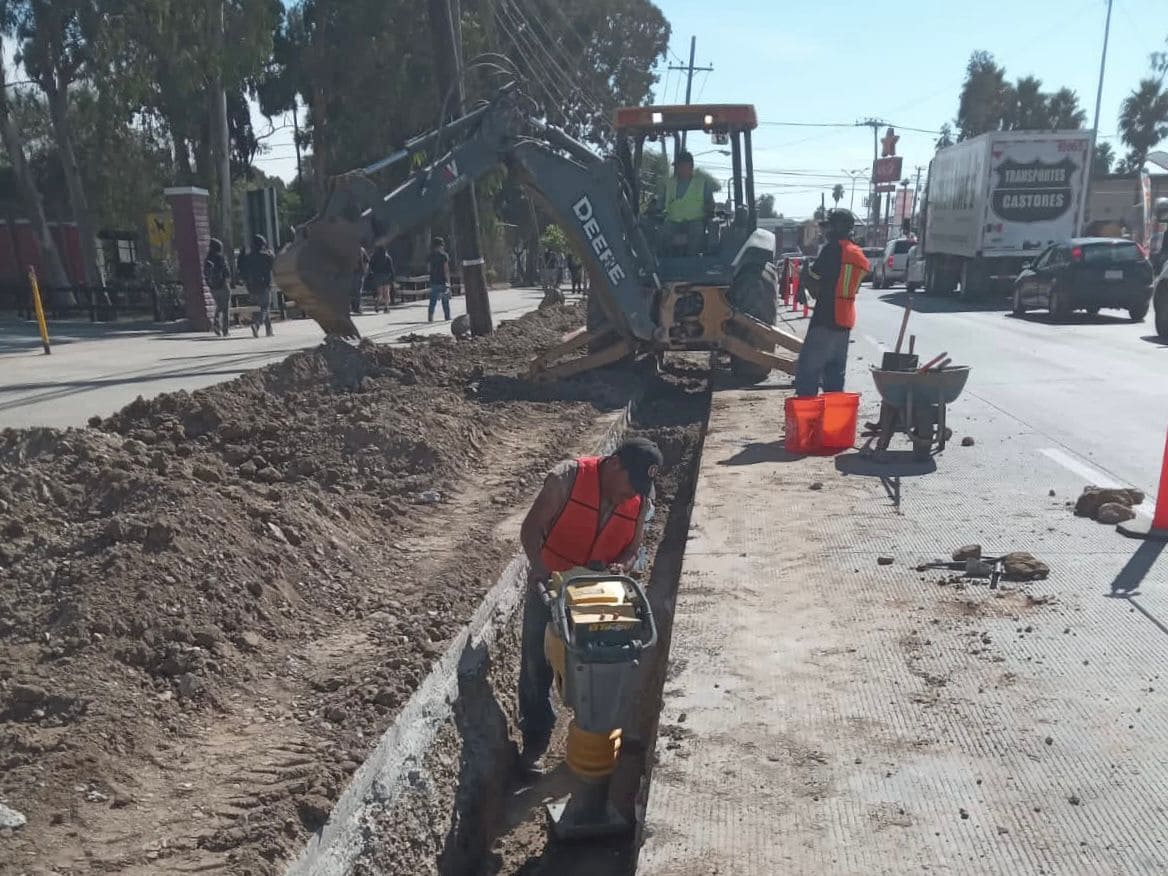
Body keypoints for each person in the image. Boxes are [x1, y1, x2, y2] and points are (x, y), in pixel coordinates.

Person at [516, 437, 663, 773]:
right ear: (613, 466)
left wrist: (622, 566)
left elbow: (632, 549)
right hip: (552, 584)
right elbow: (530, 529)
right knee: (537, 661)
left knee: (611, 656)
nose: (633, 495)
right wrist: (539, 568)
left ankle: (605, 721)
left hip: (598, 591)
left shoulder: (639, 500)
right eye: (631, 484)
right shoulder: (566, 478)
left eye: (641, 488)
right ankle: (537, 739)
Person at [793, 209, 870, 397]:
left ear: (839, 227)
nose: (826, 231)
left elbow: (817, 283)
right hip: (844, 323)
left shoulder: (832, 250)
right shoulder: (858, 256)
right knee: (834, 379)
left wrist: (804, 275)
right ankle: (832, 422)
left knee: (808, 374)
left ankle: (808, 422)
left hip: (824, 321)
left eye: (830, 226)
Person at [658, 150, 715, 256]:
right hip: (673, 222)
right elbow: (660, 203)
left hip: (695, 221)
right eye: (679, 166)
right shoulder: (669, 184)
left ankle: (691, 260)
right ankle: (667, 260)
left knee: (697, 229)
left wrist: (709, 209)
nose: (680, 168)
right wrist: (655, 208)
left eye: (684, 165)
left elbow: (711, 204)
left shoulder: (701, 184)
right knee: (664, 229)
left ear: (691, 167)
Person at [239, 234, 276, 338]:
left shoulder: (248, 257)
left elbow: (242, 269)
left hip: (251, 286)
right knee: (265, 307)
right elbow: (274, 263)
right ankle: (257, 324)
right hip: (264, 284)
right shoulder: (266, 256)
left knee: (260, 307)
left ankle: (269, 330)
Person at [203, 238, 231, 336]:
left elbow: (205, 274)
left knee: (219, 306)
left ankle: (216, 323)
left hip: (213, 287)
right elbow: (227, 272)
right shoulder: (220, 257)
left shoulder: (208, 259)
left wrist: (210, 284)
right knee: (225, 308)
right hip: (223, 286)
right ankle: (225, 330)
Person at [428, 236, 452, 322]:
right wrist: (448, 282)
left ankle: (430, 316)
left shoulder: (431, 256)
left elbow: (429, 268)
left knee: (433, 300)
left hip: (434, 280)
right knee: (445, 301)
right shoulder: (444, 256)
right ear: (441, 245)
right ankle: (447, 316)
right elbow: (446, 269)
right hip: (443, 281)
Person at [369, 243, 395, 312]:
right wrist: (393, 277)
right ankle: (386, 307)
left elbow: (370, 266)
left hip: (377, 276)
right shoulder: (387, 257)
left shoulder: (374, 256)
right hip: (386, 276)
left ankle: (377, 305)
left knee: (379, 293)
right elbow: (391, 268)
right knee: (386, 292)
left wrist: (372, 273)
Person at [352, 245, 369, 314]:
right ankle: (356, 307)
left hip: (351, 273)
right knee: (358, 291)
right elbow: (367, 261)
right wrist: (365, 270)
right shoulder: (361, 249)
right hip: (358, 272)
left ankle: (354, 307)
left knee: (352, 290)